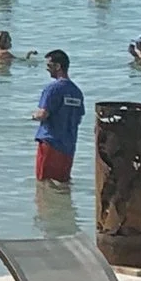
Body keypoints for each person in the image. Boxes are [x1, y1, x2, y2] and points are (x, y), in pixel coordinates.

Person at [32, 49, 85, 186]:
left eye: (49, 66)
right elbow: (78, 118)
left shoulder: (52, 89)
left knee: (44, 184)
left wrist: (33, 116)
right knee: (63, 185)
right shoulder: (77, 92)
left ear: (58, 66)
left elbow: (43, 114)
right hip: (68, 146)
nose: (47, 69)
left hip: (50, 142)